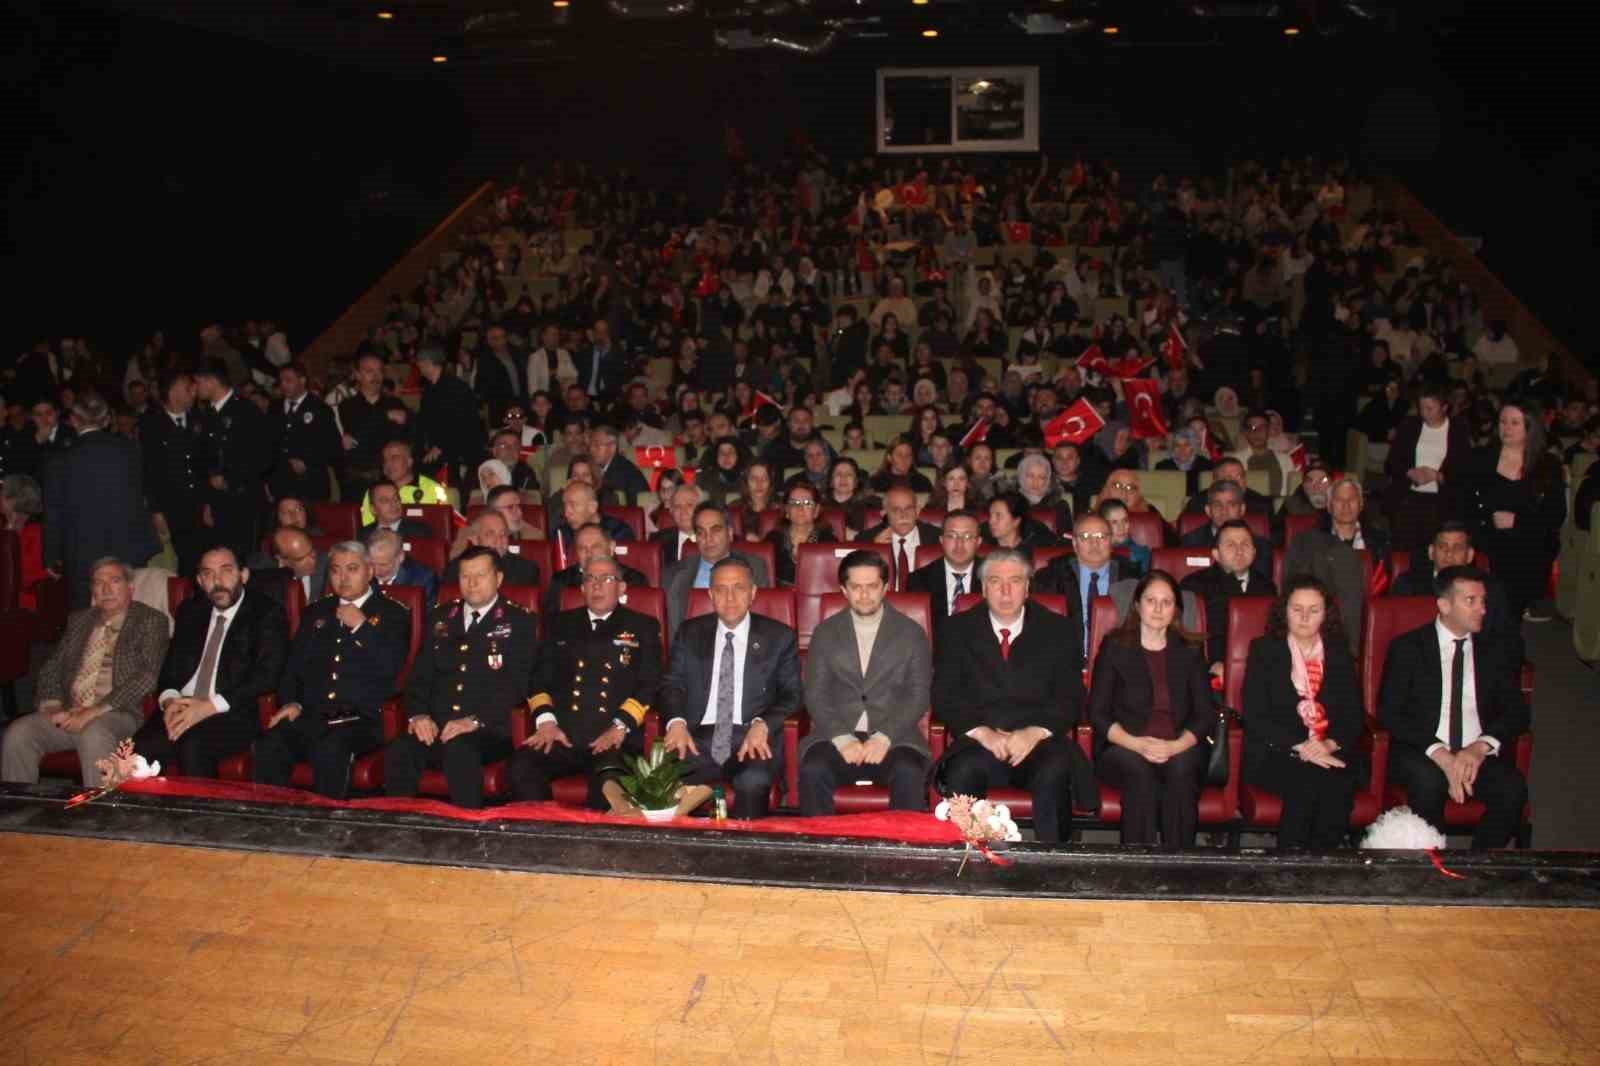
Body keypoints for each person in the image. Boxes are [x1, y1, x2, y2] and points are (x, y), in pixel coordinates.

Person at [931, 549, 1096, 843]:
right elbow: (945, 694)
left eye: (1015, 581)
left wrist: (1034, 732)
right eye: (995, 581)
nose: (1006, 591)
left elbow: (1071, 696)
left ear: (1028, 587)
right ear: (982, 588)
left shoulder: (1058, 629)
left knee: (1055, 770)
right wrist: (983, 733)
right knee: (961, 771)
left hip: (1038, 742)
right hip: (980, 742)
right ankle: (966, 866)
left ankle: (1054, 865)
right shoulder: (956, 629)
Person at [1377, 565, 1530, 849]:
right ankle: (1434, 870)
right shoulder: (1408, 647)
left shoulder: (1495, 649)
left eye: (1483, 601)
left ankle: (1478, 867)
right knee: (1427, 781)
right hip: (1424, 752)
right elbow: (1389, 712)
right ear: (1444, 605)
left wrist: (1479, 747)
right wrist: (1442, 754)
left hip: (1476, 755)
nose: (1482, 609)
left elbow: (1517, 711)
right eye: (1470, 601)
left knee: (1512, 788)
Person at [111, 547, 289, 782]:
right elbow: (170, 667)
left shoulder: (266, 613)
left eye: (226, 571)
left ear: (243, 575)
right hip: (181, 707)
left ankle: (200, 819)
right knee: (133, 752)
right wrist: (170, 699)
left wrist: (208, 706)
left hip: (231, 710)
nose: (217, 581)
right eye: (208, 574)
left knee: (192, 745)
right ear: (199, 580)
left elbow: (267, 675)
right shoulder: (191, 611)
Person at [252, 541, 410, 798]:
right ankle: (271, 823)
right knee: (271, 742)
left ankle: (328, 827)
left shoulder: (393, 613)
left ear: (369, 571)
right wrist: (292, 701)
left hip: (362, 718)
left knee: (331, 747)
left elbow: (391, 668)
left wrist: (362, 627)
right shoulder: (316, 612)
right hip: (315, 714)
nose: (343, 578)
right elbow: (293, 666)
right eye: (336, 570)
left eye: (352, 569)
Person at [384, 547, 535, 808]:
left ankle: (468, 833)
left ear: (498, 579)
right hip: (437, 727)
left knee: (460, 751)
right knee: (401, 749)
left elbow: (518, 686)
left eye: (480, 575)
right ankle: (400, 828)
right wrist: (418, 715)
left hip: (489, 730)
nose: (472, 583)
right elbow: (419, 675)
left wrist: (474, 721)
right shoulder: (441, 618)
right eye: (465, 576)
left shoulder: (518, 621)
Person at [508, 555, 663, 809]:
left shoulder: (642, 626)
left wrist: (619, 727)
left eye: (606, 578)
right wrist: (546, 722)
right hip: (562, 736)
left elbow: (650, 683)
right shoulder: (560, 624)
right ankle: (543, 838)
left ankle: (594, 848)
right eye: (590, 578)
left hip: (614, 738)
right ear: (581, 588)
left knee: (608, 781)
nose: (597, 585)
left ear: (622, 588)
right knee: (521, 766)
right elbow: (537, 678)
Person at [2, 558, 169, 786]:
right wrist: (53, 707)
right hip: (72, 712)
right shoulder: (79, 620)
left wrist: (92, 712)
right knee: (19, 733)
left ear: (130, 587)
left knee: (94, 732)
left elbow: (147, 676)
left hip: (119, 713)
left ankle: (102, 817)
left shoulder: (150, 620)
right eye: (98, 583)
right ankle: (19, 813)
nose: (106, 589)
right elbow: (51, 667)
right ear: (92, 590)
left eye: (114, 581)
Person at [659, 556, 802, 819]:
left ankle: (748, 853)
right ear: (711, 595)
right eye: (721, 589)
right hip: (696, 738)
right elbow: (671, 684)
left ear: (753, 593)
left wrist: (763, 724)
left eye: (739, 588)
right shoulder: (690, 632)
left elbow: (792, 694)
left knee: (753, 780)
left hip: (751, 737)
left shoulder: (779, 637)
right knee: (662, 779)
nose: (730, 597)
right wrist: (676, 722)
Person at [798, 551, 931, 815]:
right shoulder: (825, 633)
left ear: (884, 588)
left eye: (872, 586)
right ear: (843, 590)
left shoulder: (911, 633)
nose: (864, 594)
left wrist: (884, 737)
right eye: (856, 587)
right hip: (836, 734)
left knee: (909, 771)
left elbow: (918, 695)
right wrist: (841, 737)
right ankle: (822, 852)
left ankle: (900, 852)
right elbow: (816, 693)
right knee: (813, 770)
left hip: (895, 737)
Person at [1088, 570, 1213, 847]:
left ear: (1176, 610)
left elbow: (1205, 715)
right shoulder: (1114, 646)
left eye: (1166, 602)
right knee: (1139, 772)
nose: (1158, 608)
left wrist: (1175, 747)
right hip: (1125, 746)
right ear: (1137, 605)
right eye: (1151, 600)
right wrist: (1137, 744)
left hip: (1180, 745)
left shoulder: (1190, 650)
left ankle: (1179, 864)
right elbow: (1097, 713)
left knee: (1182, 770)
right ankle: (1138, 865)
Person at [1241, 575, 1363, 849]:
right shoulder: (1264, 650)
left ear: (1326, 615)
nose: (1305, 617)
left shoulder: (1339, 653)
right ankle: (1289, 869)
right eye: (1297, 609)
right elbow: (1255, 714)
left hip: (1329, 749)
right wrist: (1302, 747)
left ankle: (1323, 868)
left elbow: (1353, 716)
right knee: (1305, 780)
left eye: (1314, 610)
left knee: (1338, 784)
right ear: (1284, 611)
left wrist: (1327, 744)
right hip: (1278, 751)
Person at [41, 394, 161, 609]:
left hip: (82, 551)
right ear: (107, 420)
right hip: (127, 547)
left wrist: (52, 555)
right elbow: (143, 493)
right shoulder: (130, 450)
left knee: (87, 620)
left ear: (74, 420)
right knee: (128, 613)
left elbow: (53, 511)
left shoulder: (60, 459)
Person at [1459, 401, 1565, 622]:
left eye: (1515, 423)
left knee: (1508, 616)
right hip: (1485, 545)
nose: (1506, 428)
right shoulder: (1481, 458)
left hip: (1526, 548)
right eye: (1503, 422)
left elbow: (1555, 514)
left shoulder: (1547, 465)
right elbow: (1463, 504)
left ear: (1530, 427)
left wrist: (1518, 521)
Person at [1389, 521, 1523, 675]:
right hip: (1421, 668)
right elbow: (1397, 642)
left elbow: (1510, 643)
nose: (1449, 554)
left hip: (1474, 668)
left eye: (1457, 548)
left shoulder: (1490, 590)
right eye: (1442, 547)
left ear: (1470, 555)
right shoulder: (1408, 585)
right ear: (1431, 552)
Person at [192, 360, 273, 566]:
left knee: (244, 560)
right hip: (219, 503)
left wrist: (230, 478)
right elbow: (205, 461)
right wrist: (208, 501)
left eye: (198, 382)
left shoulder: (245, 411)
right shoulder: (207, 414)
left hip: (244, 501)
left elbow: (262, 457)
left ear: (211, 381)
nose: (196, 388)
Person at [1382, 381, 1472, 556]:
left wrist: (1438, 476)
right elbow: (1392, 462)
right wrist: (1410, 472)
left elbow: (1464, 470)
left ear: (1444, 407)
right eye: (1422, 407)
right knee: (1404, 547)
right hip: (1409, 495)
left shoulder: (1458, 430)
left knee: (1435, 549)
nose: (1425, 413)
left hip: (1441, 499)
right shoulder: (1410, 425)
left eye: (1430, 408)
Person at [1180, 519, 1277, 678]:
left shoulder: (1267, 587)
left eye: (1245, 545)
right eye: (1231, 545)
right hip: (1210, 669)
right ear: (1216, 554)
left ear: (1254, 551)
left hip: (1261, 668)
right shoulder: (1193, 586)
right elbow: (1184, 636)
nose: (1239, 551)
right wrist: (1210, 665)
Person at [661, 502, 772, 637]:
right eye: (701, 532)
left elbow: (760, 623)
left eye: (715, 530)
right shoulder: (672, 575)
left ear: (730, 533)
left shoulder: (755, 568)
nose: (708, 539)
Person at [140, 369, 206, 580]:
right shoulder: (151, 424)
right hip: (171, 506)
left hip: (199, 504)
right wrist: (156, 510)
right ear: (173, 391)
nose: (193, 393)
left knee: (202, 558)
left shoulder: (199, 418)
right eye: (188, 388)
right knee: (181, 563)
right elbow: (147, 471)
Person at [413, 344, 486, 493]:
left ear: (427, 362)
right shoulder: (430, 389)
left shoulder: (456, 388)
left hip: (459, 451)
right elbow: (423, 421)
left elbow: (463, 423)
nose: (418, 366)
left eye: (419, 362)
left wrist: (440, 446)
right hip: (439, 449)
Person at [269, 362, 340, 504]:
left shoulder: (319, 408)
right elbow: (268, 444)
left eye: (288, 380)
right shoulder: (274, 408)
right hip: (281, 483)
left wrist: (308, 463)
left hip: (310, 483)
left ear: (302, 380)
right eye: (281, 381)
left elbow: (332, 446)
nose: (283, 385)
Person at [540, 523, 647, 615]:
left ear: (611, 548)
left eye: (595, 547)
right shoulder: (561, 580)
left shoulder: (634, 580)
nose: (589, 553)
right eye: (582, 548)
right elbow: (551, 623)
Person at [1178, 480, 1273, 583]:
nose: (1224, 511)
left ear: (1242, 509)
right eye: (1218, 505)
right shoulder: (1189, 543)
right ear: (1208, 511)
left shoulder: (1261, 546)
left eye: (1231, 505)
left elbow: (1261, 587)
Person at [907, 508, 982, 635]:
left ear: (978, 542)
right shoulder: (918, 580)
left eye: (968, 536)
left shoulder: (994, 577)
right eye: (952, 536)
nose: (959, 544)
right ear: (941, 540)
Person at [861, 483, 941, 590]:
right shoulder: (866, 540)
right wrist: (875, 549)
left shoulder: (938, 538)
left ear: (917, 511)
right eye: (896, 510)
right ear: (884, 513)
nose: (903, 515)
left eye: (908, 509)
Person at [550, 479, 634, 573]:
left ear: (592, 507)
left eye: (572, 505)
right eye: (564, 506)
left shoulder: (619, 532)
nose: (566, 513)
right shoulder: (562, 534)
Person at [358, 441, 447, 527]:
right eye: (385, 460)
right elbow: (368, 528)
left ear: (409, 462)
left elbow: (442, 526)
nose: (388, 464)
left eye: (394, 458)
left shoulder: (433, 489)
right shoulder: (375, 491)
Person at [441, 511, 540, 587]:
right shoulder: (456, 569)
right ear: (475, 540)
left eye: (503, 534)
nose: (499, 540)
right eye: (490, 534)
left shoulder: (526, 570)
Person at [766, 480, 836, 586]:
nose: (800, 508)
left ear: (816, 511)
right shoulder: (772, 540)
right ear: (786, 511)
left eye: (807, 503)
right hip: (780, 599)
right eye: (794, 503)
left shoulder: (829, 542)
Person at [249, 527, 330, 610]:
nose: (313, 559)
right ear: (282, 559)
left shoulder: (325, 562)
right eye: (301, 558)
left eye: (312, 550)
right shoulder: (259, 574)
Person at [367, 528, 438, 604]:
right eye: (372, 564)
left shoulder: (422, 580)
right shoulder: (361, 575)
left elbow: (422, 614)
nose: (376, 570)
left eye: (383, 565)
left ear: (401, 557)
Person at [590, 423, 651, 506]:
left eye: (597, 445)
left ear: (612, 447)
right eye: (591, 445)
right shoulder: (594, 466)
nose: (592, 449)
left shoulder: (624, 473)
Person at [360, 482, 433, 543]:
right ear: (373, 509)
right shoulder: (365, 534)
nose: (393, 504)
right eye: (385, 500)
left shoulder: (419, 532)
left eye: (396, 498)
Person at [650, 483, 702, 566]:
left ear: (701, 508)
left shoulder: (712, 539)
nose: (683, 511)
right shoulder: (657, 541)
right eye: (677, 506)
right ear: (671, 511)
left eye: (689, 505)